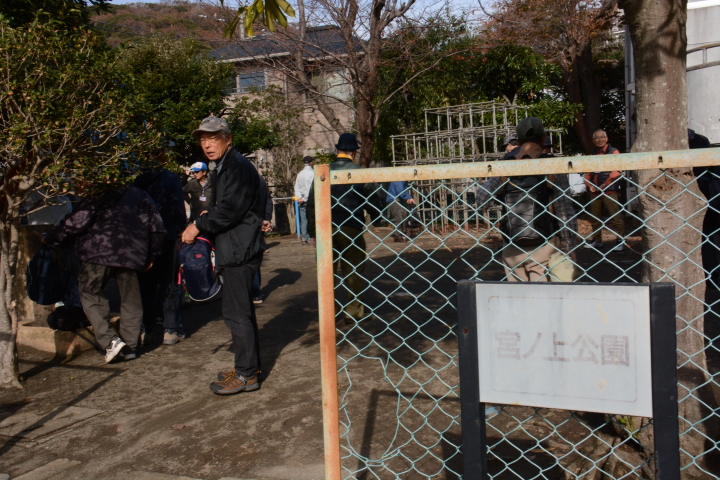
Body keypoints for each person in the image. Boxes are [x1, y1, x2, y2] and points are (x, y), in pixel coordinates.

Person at [181, 116, 265, 395]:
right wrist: (210, 212)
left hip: (239, 249)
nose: (207, 144)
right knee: (239, 312)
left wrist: (198, 224)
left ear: (227, 139)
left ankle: (246, 374)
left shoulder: (236, 166)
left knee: (237, 314)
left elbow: (230, 210)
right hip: (235, 247)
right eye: (203, 140)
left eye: (213, 138)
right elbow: (226, 207)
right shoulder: (226, 166)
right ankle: (247, 368)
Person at [44, 185, 166, 362]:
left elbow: (78, 221)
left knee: (89, 293)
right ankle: (130, 347)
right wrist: (152, 254)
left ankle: (110, 341)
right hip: (131, 253)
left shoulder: (98, 191)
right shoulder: (142, 195)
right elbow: (157, 228)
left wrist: (53, 235)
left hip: (98, 251)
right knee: (131, 299)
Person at [476, 117, 579, 282]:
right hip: (546, 245)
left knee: (518, 294)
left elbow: (482, 200)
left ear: (518, 141)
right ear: (543, 138)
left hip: (512, 247)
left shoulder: (506, 166)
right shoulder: (553, 165)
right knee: (545, 293)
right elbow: (564, 211)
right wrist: (569, 245)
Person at [307, 133, 379, 322]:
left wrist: (313, 231)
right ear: (354, 153)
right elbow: (372, 199)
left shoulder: (322, 172)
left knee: (326, 273)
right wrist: (378, 219)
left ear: (337, 150)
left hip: (325, 228)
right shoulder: (359, 172)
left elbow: (312, 204)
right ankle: (354, 312)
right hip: (351, 226)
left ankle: (328, 313)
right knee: (354, 271)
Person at [135, 156, 188, 346]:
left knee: (145, 285)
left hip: (142, 238)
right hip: (167, 235)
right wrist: (180, 229)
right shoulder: (170, 178)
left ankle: (147, 329)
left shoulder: (135, 178)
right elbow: (177, 207)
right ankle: (170, 329)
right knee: (169, 283)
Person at [584, 129, 624, 252]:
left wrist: (604, 185)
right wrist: (589, 185)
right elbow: (587, 172)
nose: (600, 139)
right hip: (595, 191)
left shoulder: (614, 152)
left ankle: (620, 240)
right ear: (593, 141)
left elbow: (617, 172)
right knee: (595, 217)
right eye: (597, 137)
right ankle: (597, 240)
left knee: (615, 217)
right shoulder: (593, 154)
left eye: (602, 137)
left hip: (609, 190)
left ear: (607, 139)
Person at [252, 175, 274, 304]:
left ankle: (254, 292)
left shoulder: (241, 179)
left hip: (248, 225)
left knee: (250, 258)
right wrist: (266, 218)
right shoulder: (260, 179)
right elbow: (268, 200)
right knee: (255, 257)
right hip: (259, 223)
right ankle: (255, 293)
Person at [294, 156, 314, 245]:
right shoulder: (312, 173)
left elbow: (296, 186)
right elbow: (310, 187)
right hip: (310, 199)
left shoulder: (300, 174)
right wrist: (305, 198)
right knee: (311, 219)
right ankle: (310, 237)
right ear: (311, 162)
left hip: (301, 199)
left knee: (303, 219)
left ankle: (303, 238)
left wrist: (299, 197)